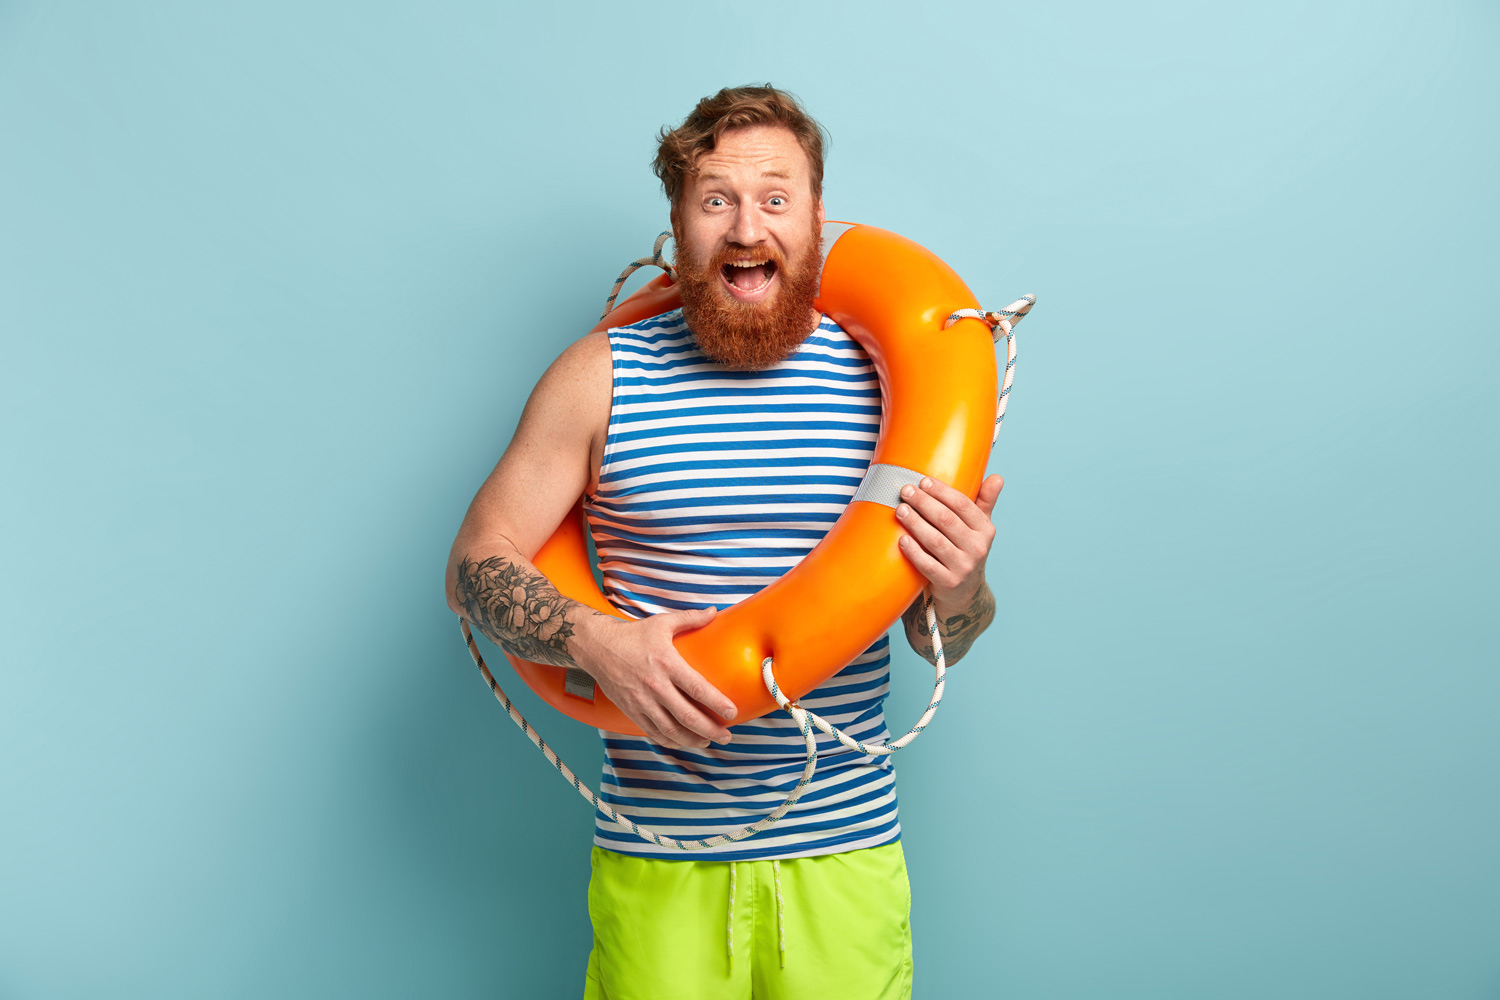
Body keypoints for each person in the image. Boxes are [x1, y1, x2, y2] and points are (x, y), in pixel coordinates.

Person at [445, 85, 1002, 1000]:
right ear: (678, 226)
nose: (748, 227)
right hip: (660, 859)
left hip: (846, 858)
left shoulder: (889, 389)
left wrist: (960, 590)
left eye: (776, 198)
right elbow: (475, 564)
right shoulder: (599, 379)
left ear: (819, 218)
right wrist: (593, 640)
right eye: (717, 200)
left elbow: (945, 634)